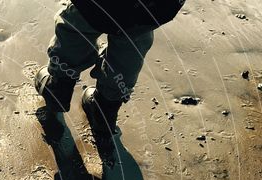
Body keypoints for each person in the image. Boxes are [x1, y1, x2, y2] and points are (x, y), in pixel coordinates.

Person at [35, 0, 185, 143]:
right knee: (130, 47)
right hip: (151, 8)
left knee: (77, 30)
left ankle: (58, 88)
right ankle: (105, 110)